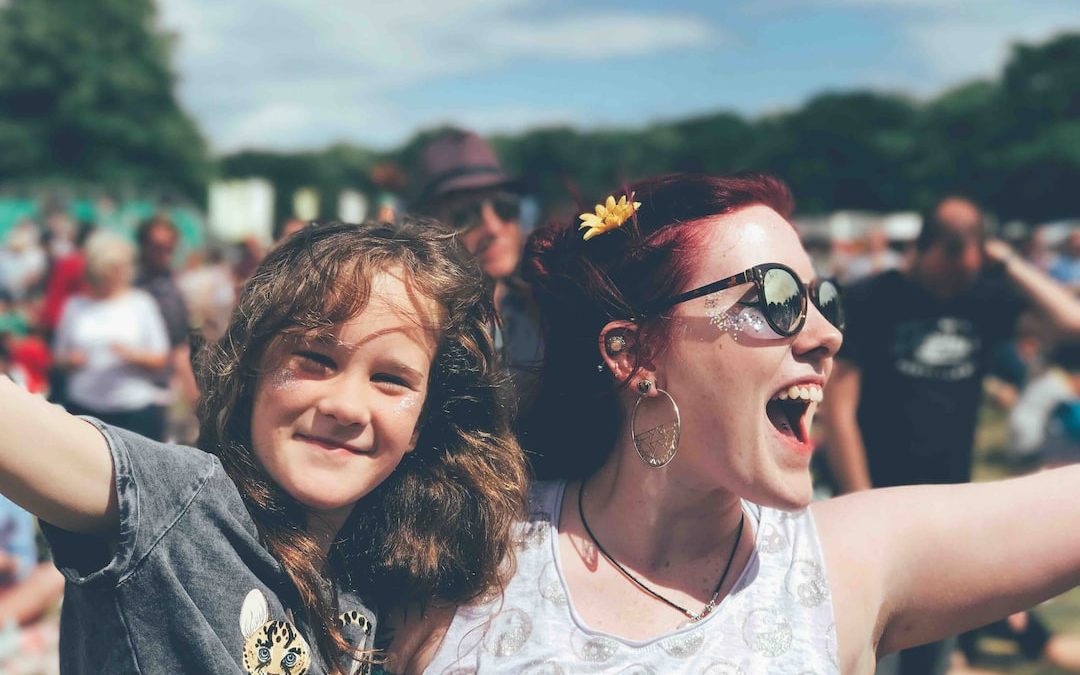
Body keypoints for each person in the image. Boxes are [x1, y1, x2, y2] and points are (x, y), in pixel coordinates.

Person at [382, 173, 1080, 674]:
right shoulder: (470, 553)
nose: (826, 333)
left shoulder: (842, 566)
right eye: (775, 297)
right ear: (634, 352)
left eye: (822, 299)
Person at [0, 220, 528, 674]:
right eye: (315, 359)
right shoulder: (180, 507)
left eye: (391, 379)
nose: (346, 405)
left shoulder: (380, 590)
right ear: (251, 374)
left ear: (420, 427)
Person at [822, 197, 1080, 674]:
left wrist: (1008, 261)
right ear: (927, 248)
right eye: (951, 266)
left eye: (972, 266)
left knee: (930, 657)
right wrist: (862, 507)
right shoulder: (872, 299)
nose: (956, 280)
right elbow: (840, 411)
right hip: (878, 503)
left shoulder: (980, 299)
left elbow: (1069, 322)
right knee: (871, 654)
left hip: (948, 509)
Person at [411, 129, 542, 390]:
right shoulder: (420, 325)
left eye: (505, 208)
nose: (493, 228)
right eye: (465, 216)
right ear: (429, 228)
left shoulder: (545, 307)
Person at [51, 231, 173, 440]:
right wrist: (71, 361)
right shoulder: (76, 306)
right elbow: (58, 357)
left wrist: (131, 355)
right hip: (84, 407)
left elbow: (161, 358)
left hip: (133, 409)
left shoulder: (141, 304)